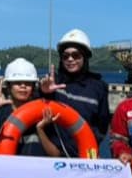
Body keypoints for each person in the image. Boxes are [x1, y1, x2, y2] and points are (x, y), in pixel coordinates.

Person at [40, 28, 110, 156]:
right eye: (65, 56)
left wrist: (87, 143)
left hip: (85, 154)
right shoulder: (53, 82)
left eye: (76, 55)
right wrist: (45, 93)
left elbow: (102, 126)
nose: (70, 59)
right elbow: (36, 110)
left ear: (85, 57)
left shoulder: (98, 87)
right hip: (53, 156)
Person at [0, 58, 57, 156]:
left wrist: (40, 130)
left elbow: (55, 155)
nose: (23, 86)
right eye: (18, 83)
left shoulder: (42, 114)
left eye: (27, 83)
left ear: (33, 87)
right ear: (9, 86)